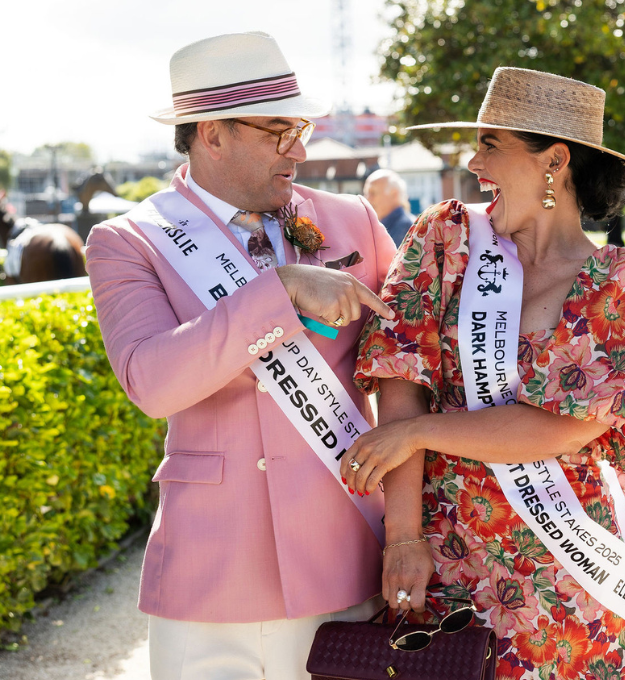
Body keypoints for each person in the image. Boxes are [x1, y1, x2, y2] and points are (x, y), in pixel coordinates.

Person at [85, 32, 397, 680]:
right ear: (211, 134)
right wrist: (276, 292)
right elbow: (152, 381)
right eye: (278, 132)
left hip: (344, 554)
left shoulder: (353, 220)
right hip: (207, 576)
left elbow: (409, 374)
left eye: (300, 129)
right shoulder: (127, 241)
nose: (300, 150)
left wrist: (415, 535)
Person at [342, 68, 625, 679]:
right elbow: (400, 375)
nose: (473, 161)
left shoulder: (622, 281)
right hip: (446, 556)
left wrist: (416, 435)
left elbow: (564, 430)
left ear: (554, 161)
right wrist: (404, 538)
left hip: (569, 569)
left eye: (491, 144)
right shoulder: (446, 238)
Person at [363, 168, 416, 246]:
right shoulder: (380, 226)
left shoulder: (406, 228)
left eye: (373, 193)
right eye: (366, 193)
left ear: (394, 194)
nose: (367, 199)